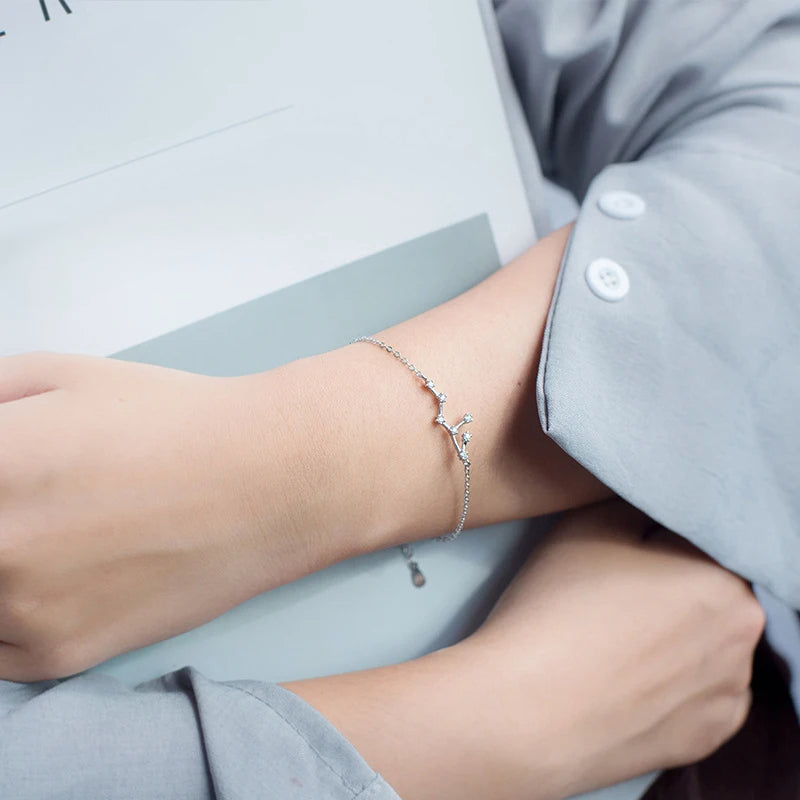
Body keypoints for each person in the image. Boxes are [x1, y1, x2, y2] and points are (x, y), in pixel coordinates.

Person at [1, 0, 798, 797]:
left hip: (675, 669)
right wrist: (494, 729)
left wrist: (295, 472)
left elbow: (765, 91)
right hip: (645, 672)